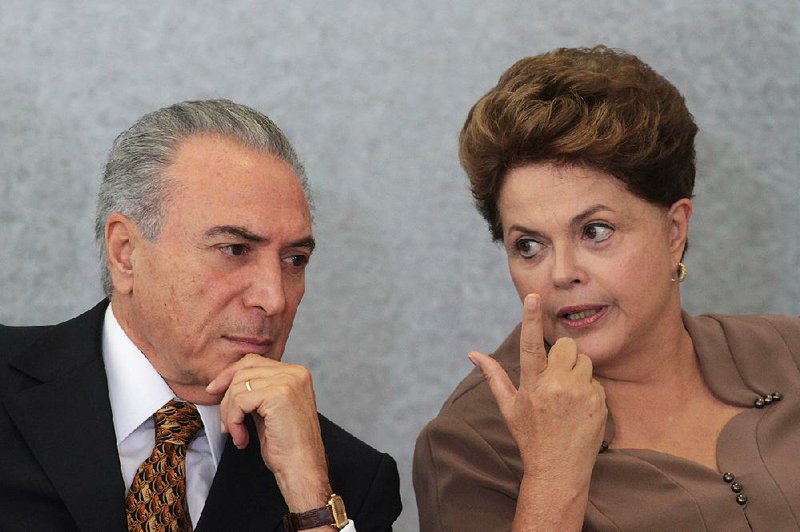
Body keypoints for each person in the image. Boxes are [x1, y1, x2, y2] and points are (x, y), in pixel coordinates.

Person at [413, 46, 800, 530]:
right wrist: (553, 477)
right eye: (529, 245)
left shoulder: (789, 353)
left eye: (595, 231)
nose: (562, 273)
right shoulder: (473, 444)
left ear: (674, 231)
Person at [0, 99, 401, 531]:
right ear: (125, 253)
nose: (274, 299)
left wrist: (312, 503)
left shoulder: (345, 480)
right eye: (234, 249)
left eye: (295, 260)